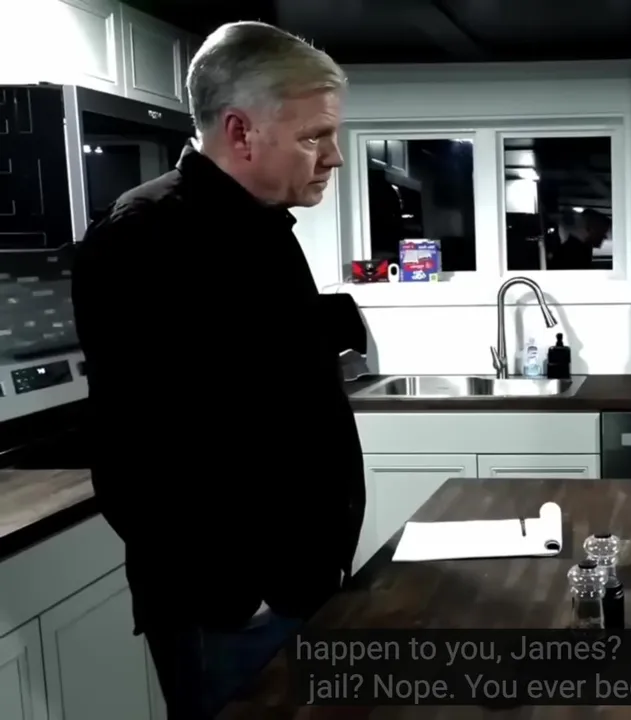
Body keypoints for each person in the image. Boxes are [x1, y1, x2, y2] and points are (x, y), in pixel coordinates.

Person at [70, 21, 363, 719]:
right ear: (240, 131)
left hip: (294, 589)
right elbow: (139, 452)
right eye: (314, 136)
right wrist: (241, 597)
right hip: (232, 614)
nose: (334, 156)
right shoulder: (147, 238)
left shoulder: (262, 226)